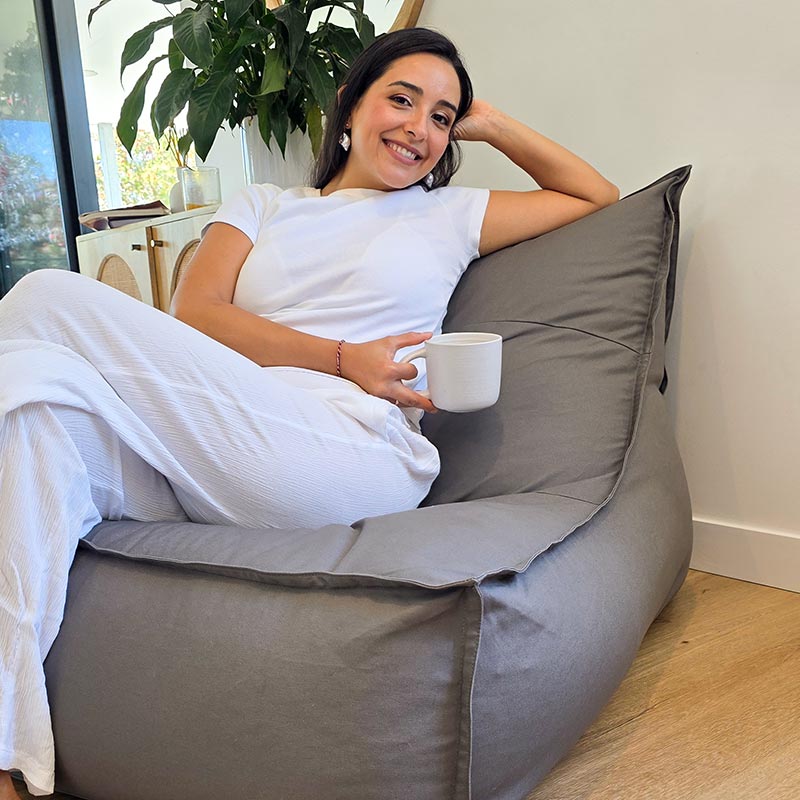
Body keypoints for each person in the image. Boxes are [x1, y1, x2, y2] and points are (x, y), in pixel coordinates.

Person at [0, 27, 618, 799]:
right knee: (32, 406)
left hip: (351, 448)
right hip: (224, 442)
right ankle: (8, 764)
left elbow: (594, 196)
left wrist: (489, 122)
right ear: (349, 105)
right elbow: (199, 313)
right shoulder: (263, 204)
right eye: (401, 100)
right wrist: (337, 352)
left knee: (42, 296)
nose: (419, 128)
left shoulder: (452, 212)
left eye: (440, 116)